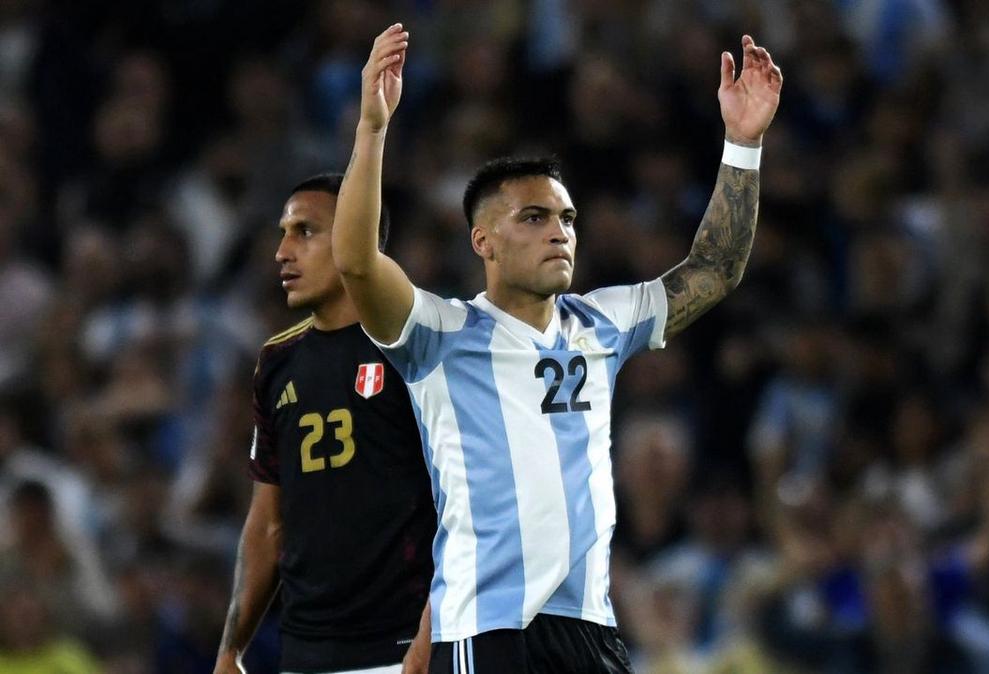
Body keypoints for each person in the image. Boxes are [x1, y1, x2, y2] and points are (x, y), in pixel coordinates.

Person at [331, 22, 781, 673]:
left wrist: (742, 145)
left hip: (592, 631)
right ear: (482, 241)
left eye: (567, 218)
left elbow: (714, 269)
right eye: (535, 218)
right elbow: (356, 264)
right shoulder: (441, 334)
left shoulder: (602, 323)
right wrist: (372, 129)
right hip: (491, 630)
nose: (560, 233)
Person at [213, 174, 436, 674]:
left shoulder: (420, 346)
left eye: (305, 231)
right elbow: (268, 521)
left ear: (357, 236)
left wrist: (429, 639)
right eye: (283, 232)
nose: (282, 252)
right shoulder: (276, 361)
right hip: (305, 654)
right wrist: (232, 648)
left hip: (403, 650)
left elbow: (467, 504)